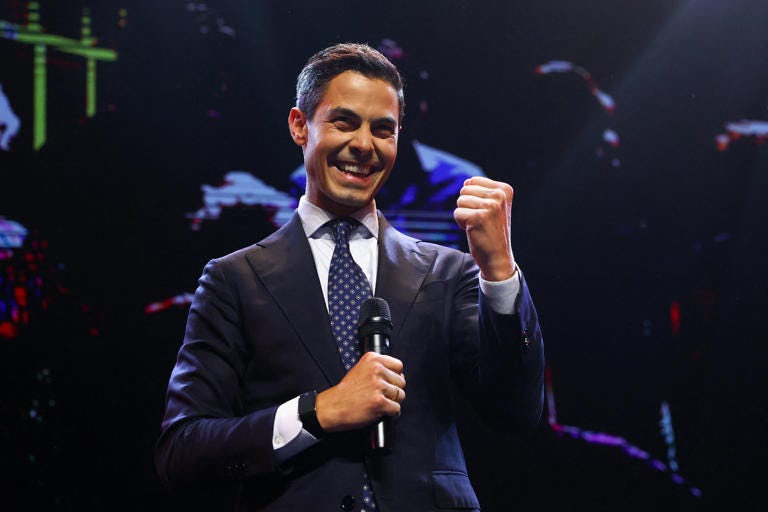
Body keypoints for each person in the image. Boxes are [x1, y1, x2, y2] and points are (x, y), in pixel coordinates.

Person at [155, 43, 545, 511]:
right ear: (300, 126)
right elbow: (182, 452)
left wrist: (500, 271)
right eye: (344, 122)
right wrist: (318, 412)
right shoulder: (234, 279)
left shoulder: (449, 272)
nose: (364, 145)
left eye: (383, 129)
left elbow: (516, 411)